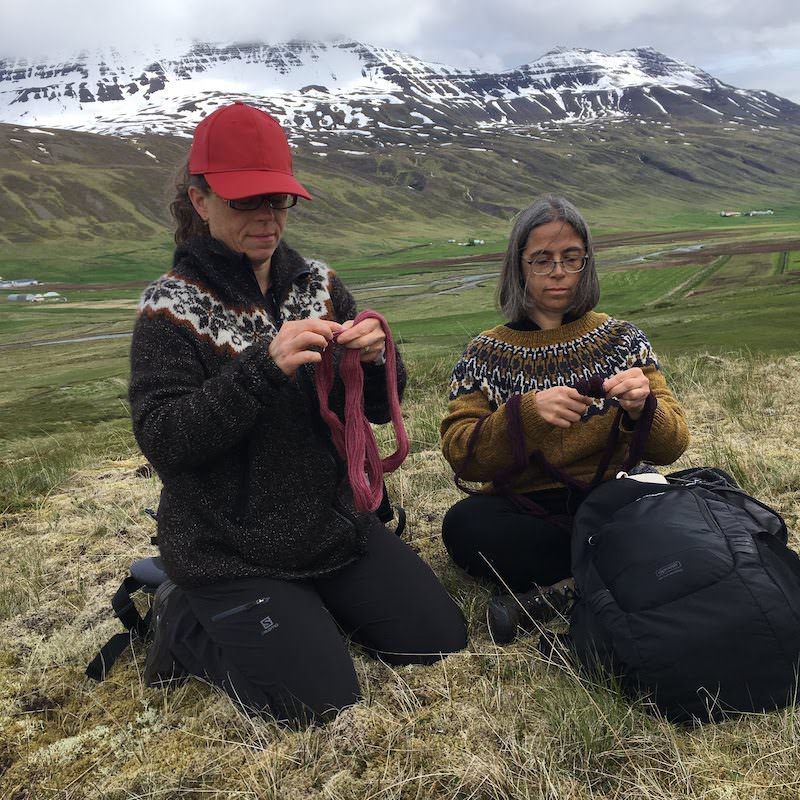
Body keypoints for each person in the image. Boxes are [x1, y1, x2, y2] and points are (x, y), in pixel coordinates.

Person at [129, 102, 466, 724]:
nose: (267, 218)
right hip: (229, 549)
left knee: (438, 638)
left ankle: (303, 612)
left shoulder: (319, 284)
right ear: (199, 201)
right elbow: (165, 439)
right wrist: (263, 367)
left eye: (278, 201)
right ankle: (183, 622)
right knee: (320, 702)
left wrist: (373, 360)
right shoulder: (169, 309)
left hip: (328, 527)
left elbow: (371, 407)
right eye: (245, 201)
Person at [439, 194, 689, 642]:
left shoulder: (622, 340)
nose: (558, 271)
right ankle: (626, 566)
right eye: (542, 260)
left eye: (571, 258)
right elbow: (463, 454)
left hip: (615, 494)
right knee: (463, 526)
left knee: (680, 498)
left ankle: (568, 588)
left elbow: (672, 447)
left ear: (586, 263)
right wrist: (526, 415)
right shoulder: (485, 353)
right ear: (518, 266)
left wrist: (643, 407)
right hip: (527, 509)